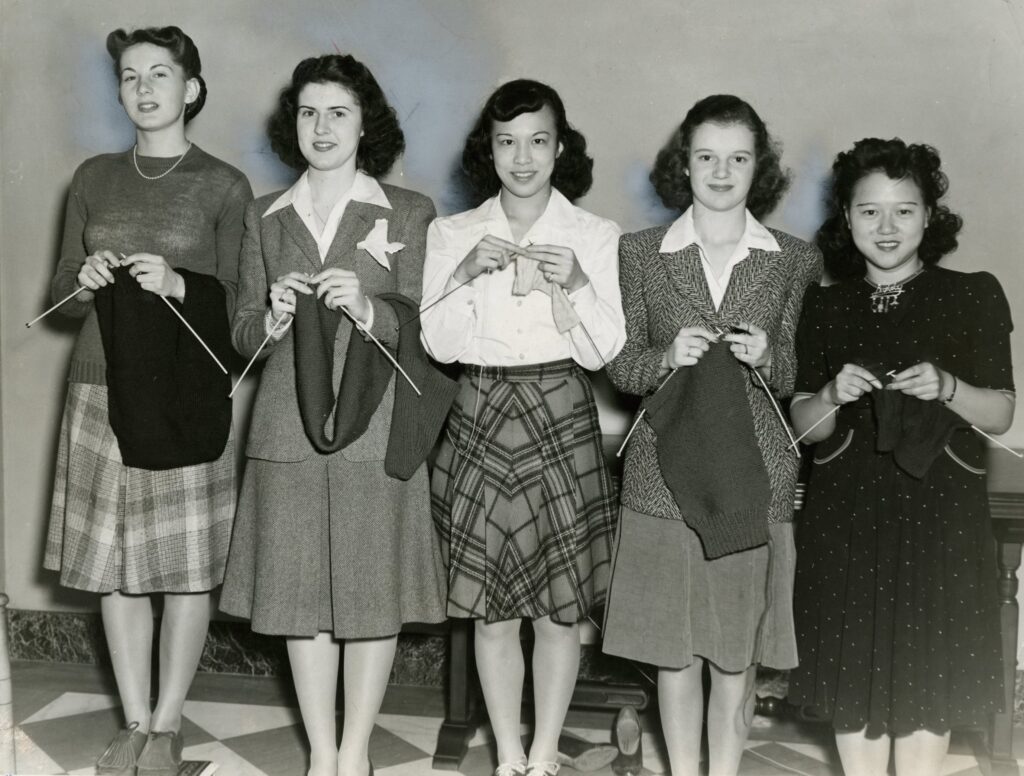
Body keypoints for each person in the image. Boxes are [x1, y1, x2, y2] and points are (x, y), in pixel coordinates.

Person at [218, 54, 448, 776]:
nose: (321, 127)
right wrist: (273, 318)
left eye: (338, 112)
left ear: (364, 123)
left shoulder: (409, 212)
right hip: (286, 427)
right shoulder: (264, 215)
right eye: (309, 112)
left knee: (369, 594)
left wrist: (374, 308)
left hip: (374, 428)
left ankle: (355, 754)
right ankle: (321, 752)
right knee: (297, 596)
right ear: (294, 124)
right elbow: (242, 333)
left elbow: (431, 329)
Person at [43, 25, 252, 776]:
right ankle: (133, 719)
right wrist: (85, 277)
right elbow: (62, 302)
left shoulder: (225, 185)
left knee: (184, 567)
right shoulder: (94, 178)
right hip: (99, 389)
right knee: (114, 567)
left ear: (191, 89)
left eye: (160, 74)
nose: (144, 88)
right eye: (130, 76)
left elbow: (241, 312)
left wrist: (180, 285)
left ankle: (167, 726)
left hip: (180, 396)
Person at [601, 95, 822, 776]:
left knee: (735, 656)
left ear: (760, 168)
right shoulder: (640, 252)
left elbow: (795, 372)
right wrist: (666, 357)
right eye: (706, 157)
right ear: (684, 164)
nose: (721, 172)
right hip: (662, 478)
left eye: (738, 158)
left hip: (753, 480)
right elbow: (622, 364)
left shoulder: (792, 258)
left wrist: (767, 357)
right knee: (673, 652)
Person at [788, 138, 1015, 776]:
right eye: (869, 212)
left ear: (929, 217)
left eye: (904, 211)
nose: (886, 228)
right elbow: (805, 431)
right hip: (848, 516)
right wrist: (831, 393)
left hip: (940, 515)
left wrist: (948, 388)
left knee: (929, 679)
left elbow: (1000, 413)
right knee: (853, 676)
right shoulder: (823, 306)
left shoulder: (974, 294)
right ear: (846, 219)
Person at [421, 79, 625, 776]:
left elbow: (605, 354)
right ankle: (507, 752)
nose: (523, 158)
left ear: (559, 148)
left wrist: (577, 285)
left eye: (538, 141)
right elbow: (438, 346)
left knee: (559, 611)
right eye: (507, 143)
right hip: (478, 411)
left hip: (560, 411)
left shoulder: (595, 236)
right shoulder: (451, 232)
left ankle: (543, 754)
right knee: (491, 609)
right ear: (490, 151)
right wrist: (458, 273)